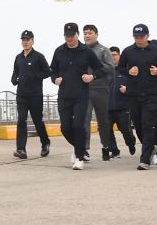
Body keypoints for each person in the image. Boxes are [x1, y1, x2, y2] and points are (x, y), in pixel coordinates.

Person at [50, 23, 104, 170]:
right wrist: (55, 79)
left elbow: (100, 69)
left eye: (72, 36)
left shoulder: (86, 51)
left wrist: (92, 76)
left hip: (81, 95)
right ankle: (78, 148)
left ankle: (79, 158)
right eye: (66, 36)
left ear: (77, 35)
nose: (69, 39)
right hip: (64, 95)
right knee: (65, 128)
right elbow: (52, 70)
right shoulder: (59, 51)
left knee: (78, 126)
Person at [117, 24, 157, 170]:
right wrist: (128, 71)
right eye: (136, 37)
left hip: (151, 94)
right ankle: (151, 147)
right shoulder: (128, 51)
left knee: (147, 125)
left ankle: (145, 159)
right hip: (133, 94)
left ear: (147, 36)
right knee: (138, 126)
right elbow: (120, 68)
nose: (139, 39)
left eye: (141, 37)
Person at [10, 30, 51, 160]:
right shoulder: (18, 57)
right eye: (23, 40)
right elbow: (15, 71)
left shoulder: (38, 56)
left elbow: (47, 72)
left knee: (37, 121)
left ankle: (45, 143)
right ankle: (21, 149)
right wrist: (14, 79)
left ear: (32, 41)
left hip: (35, 95)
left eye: (28, 40)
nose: (25, 42)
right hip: (21, 95)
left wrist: (34, 76)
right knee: (21, 119)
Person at [82, 24, 115, 161]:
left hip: (100, 89)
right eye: (85, 33)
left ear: (96, 34)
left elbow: (110, 67)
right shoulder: (80, 50)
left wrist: (95, 71)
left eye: (90, 33)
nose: (87, 35)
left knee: (103, 121)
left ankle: (106, 147)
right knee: (85, 119)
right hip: (84, 90)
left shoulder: (103, 50)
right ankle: (84, 149)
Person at [107, 46, 136, 158]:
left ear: (119, 56)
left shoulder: (126, 70)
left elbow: (135, 86)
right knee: (106, 130)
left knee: (125, 130)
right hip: (108, 107)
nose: (112, 57)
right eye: (110, 55)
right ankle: (114, 150)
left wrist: (127, 90)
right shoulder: (106, 71)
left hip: (123, 107)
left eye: (114, 55)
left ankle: (131, 143)